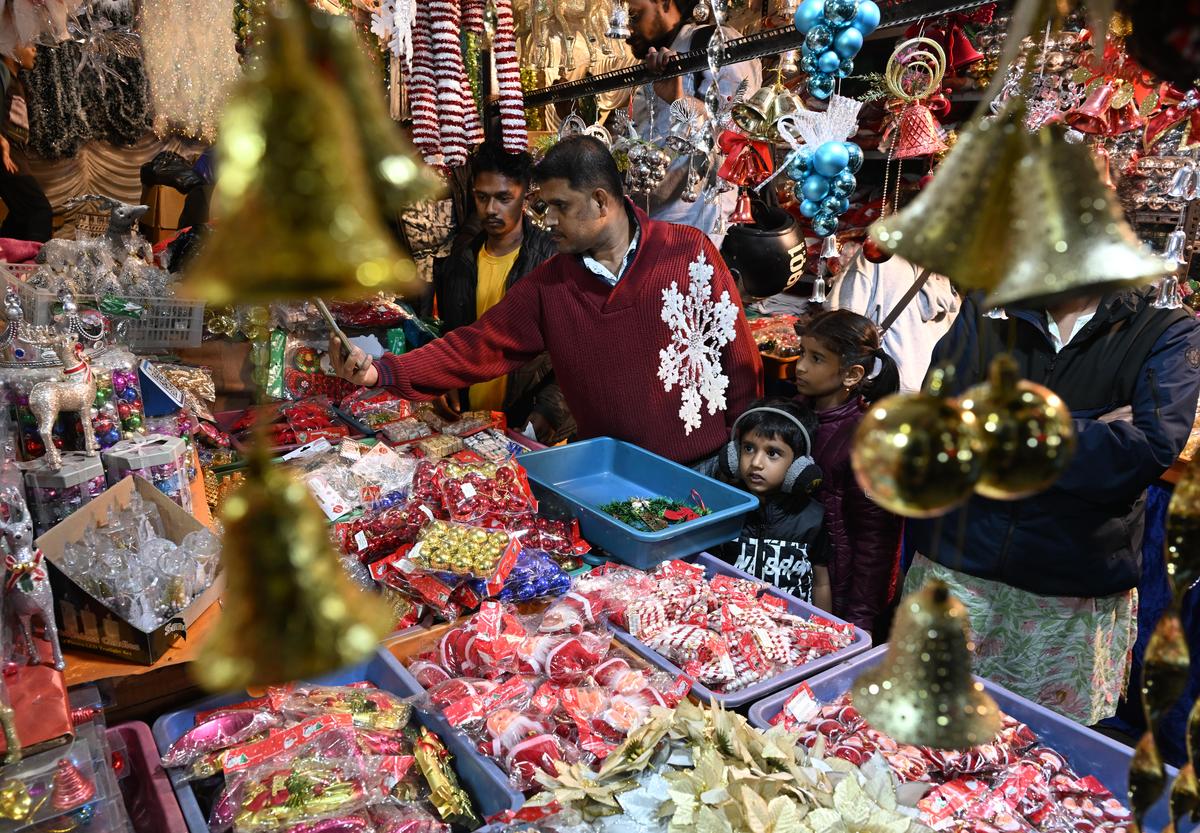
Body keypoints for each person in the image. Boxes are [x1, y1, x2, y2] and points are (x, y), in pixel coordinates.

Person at [330, 135, 763, 466]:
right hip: (611, 475)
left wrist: (744, 452)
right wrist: (385, 370)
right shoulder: (552, 285)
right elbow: (478, 344)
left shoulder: (686, 252)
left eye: (559, 205)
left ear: (600, 202)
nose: (548, 220)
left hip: (705, 468)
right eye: (544, 206)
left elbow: (739, 358)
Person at [907, 287, 1200, 725]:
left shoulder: (1165, 327)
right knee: (922, 729)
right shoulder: (989, 304)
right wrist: (1088, 427)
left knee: (1043, 759)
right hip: (959, 565)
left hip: (1068, 591)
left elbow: (1145, 450)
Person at [423, 142, 573, 444]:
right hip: (472, 427)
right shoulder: (460, 261)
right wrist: (444, 378)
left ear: (526, 196)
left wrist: (549, 412)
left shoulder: (554, 263)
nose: (490, 209)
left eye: (504, 198)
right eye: (482, 197)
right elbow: (453, 335)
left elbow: (577, 352)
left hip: (528, 426)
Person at [793, 310, 903, 638]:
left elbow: (877, 542)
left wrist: (859, 623)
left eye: (816, 358)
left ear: (852, 374)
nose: (800, 366)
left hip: (838, 594)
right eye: (802, 353)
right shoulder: (794, 414)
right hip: (795, 574)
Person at [626, 0, 761, 241]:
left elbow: (737, 133)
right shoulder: (652, 62)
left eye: (634, 16)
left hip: (697, 231)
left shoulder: (714, 42)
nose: (626, 30)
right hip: (645, 228)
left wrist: (679, 100)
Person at [715, 398, 831, 608]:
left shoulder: (813, 517)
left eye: (772, 453)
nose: (756, 463)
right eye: (748, 449)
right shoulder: (725, 511)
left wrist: (828, 630)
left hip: (793, 628)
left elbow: (821, 582)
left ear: (799, 465)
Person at [829, 246, 959, 393]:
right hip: (921, 392)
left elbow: (839, 324)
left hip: (874, 386)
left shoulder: (877, 254)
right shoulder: (952, 287)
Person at [0, 43, 51, 243]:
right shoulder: (2, 72)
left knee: (21, 215)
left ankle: (7, 263)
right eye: (29, 45)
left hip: (17, 154)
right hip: (7, 154)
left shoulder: (15, 80)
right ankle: (37, 271)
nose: (35, 50)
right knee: (39, 210)